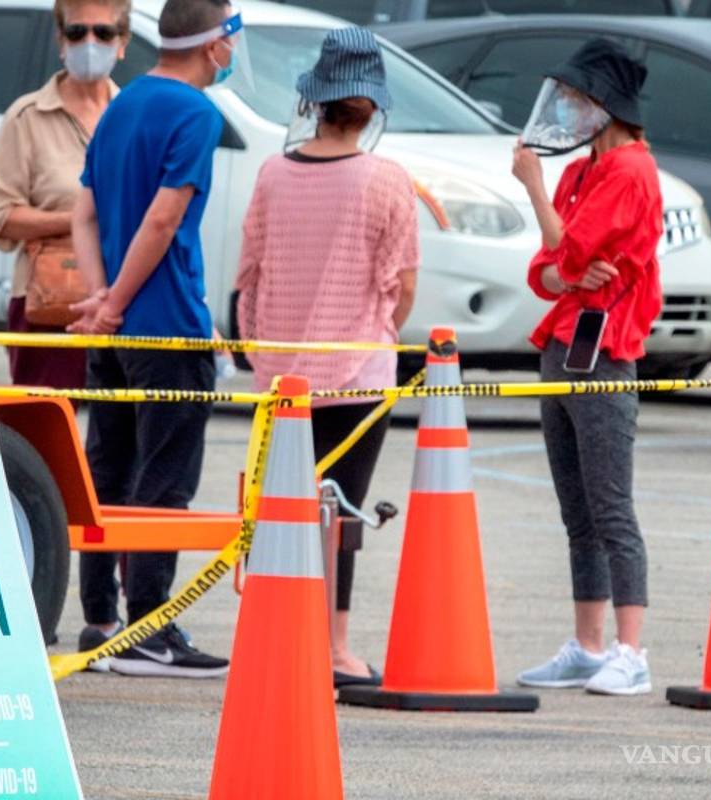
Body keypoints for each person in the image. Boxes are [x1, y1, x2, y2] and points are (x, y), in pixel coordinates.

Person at [235, 27, 419, 688]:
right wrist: (376, 330)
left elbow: (248, 274)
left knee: (283, 505)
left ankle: (275, 632)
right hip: (358, 373)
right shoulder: (387, 181)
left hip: (280, 374)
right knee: (342, 511)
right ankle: (336, 645)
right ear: (371, 108)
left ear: (315, 102)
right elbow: (400, 286)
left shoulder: (273, 174)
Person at [65, 0, 243, 678]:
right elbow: (164, 219)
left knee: (108, 469)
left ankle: (101, 620)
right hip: (165, 325)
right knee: (163, 480)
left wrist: (101, 298)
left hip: (113, 333)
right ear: (215, 44)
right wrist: (115, 301)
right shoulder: (196, 113)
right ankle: (148, 627)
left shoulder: (124, 101)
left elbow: (83, 213)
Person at [509, 38, 663, 696]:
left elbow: (566, 252)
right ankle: (588, 642)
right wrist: (564, 270)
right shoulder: (580, 173)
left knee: (611, 507)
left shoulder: (630, 170)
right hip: (562, 346)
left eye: (576, 99)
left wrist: (535, 192)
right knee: (578, 511)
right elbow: (544, 273)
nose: (566, 111)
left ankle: (631, 649)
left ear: (606, 105)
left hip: (604, 353)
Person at [0, 0, 130, 390]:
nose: (90, 42)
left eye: (103, 32)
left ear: (123, 42)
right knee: (44, 428)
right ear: (61, 41)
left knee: (118, 438)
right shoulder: (27, 116)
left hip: (122, 294)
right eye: (78, 32)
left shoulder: (133, 114)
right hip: (49, 296)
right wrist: (77, 221)